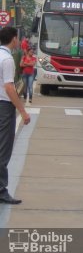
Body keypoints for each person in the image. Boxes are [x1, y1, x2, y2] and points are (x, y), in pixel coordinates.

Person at [0, 26, 30, 205]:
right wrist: (23, 111)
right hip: (4, 107)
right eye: (17, 38)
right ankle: (1, 190)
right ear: (13, 39)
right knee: (3, 150)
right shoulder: (7, 59)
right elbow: (9, 88)